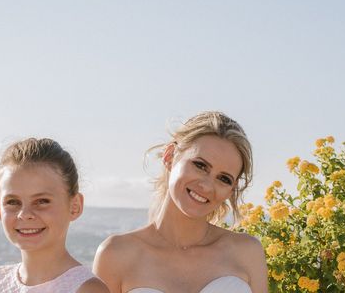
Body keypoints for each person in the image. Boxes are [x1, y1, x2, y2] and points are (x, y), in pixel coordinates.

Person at [93, 111, 268, 293]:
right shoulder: (115, 254)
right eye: (200, 165)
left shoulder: (247, 253)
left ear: (232, 189)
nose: (207, 186)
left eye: (224, 179)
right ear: (170, 156)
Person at [0, 138, 108, 293]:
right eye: (13, 202)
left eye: (42, 201)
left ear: (75, 206)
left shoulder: (87, 289)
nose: (25, 214)